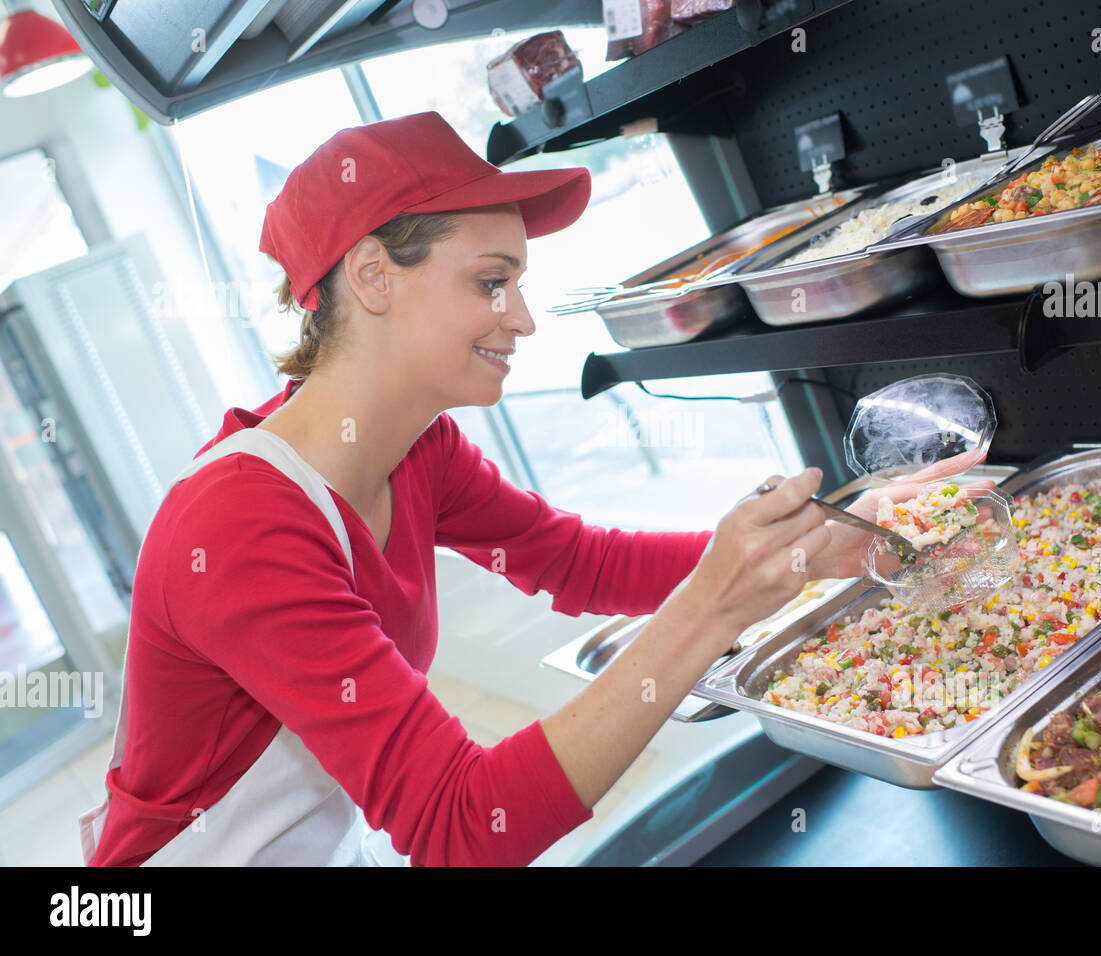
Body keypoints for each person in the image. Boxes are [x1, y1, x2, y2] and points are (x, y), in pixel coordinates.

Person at [79, 111, 977, 866]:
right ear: (372, 276)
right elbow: (464, 826)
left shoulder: (417, 449)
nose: (523, 319)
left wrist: (819, 543)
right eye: (491, 283)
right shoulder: (238, 526)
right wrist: (714, 607)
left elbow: (579, 563)